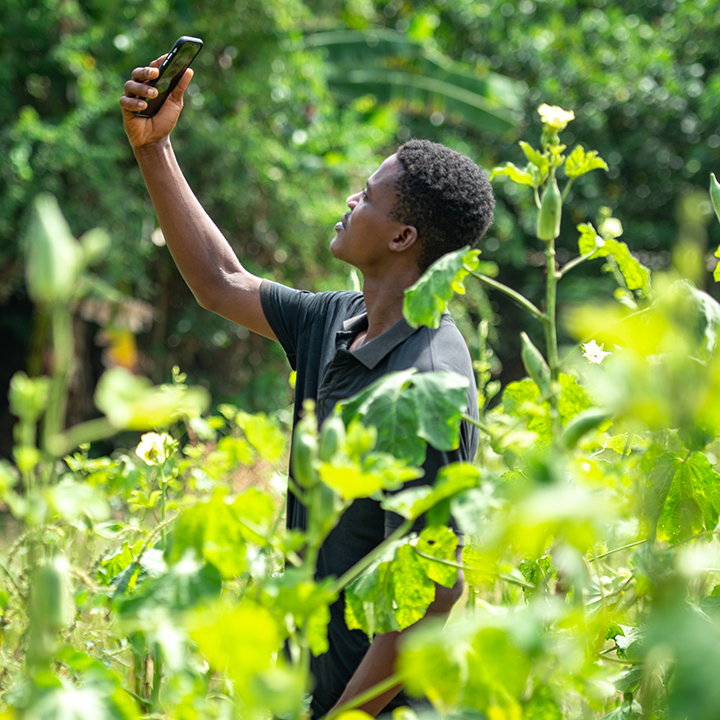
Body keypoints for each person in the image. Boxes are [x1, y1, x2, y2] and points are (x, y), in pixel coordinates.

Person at [120, 56, 495, 718]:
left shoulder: (426, 386)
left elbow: (433, 594)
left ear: (403, 235)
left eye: (367, 197)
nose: (351, 201)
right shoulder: (338, 320)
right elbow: (220, 281)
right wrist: (156, 148)